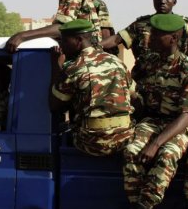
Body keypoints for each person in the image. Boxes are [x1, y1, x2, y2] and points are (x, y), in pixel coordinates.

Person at [111, 13, 188, 209]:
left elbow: (187, 115)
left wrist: (155, 144)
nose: (149, 37)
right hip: (151, 120)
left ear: (173, 38)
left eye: (156, 34)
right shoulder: (148, 61)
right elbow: (139, 93)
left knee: (166, 155)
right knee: (131, 151)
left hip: (177, 124)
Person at [49, 19, 133, 156]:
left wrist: (55, 65)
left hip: (92, 143)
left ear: (78, 40)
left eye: (64, 41)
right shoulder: (116, 62)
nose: (62, 46)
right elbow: (134, 95)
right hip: (124, 139)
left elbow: (54, 105)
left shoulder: (74, 68)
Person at [101, 0, 188, 60]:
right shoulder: (141, 24)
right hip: (145, 80)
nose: (162, 1)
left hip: (175, 78)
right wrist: (91, 48)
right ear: (153, 0)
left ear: (174, 2)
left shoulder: (186, 24)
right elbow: (117, 39)